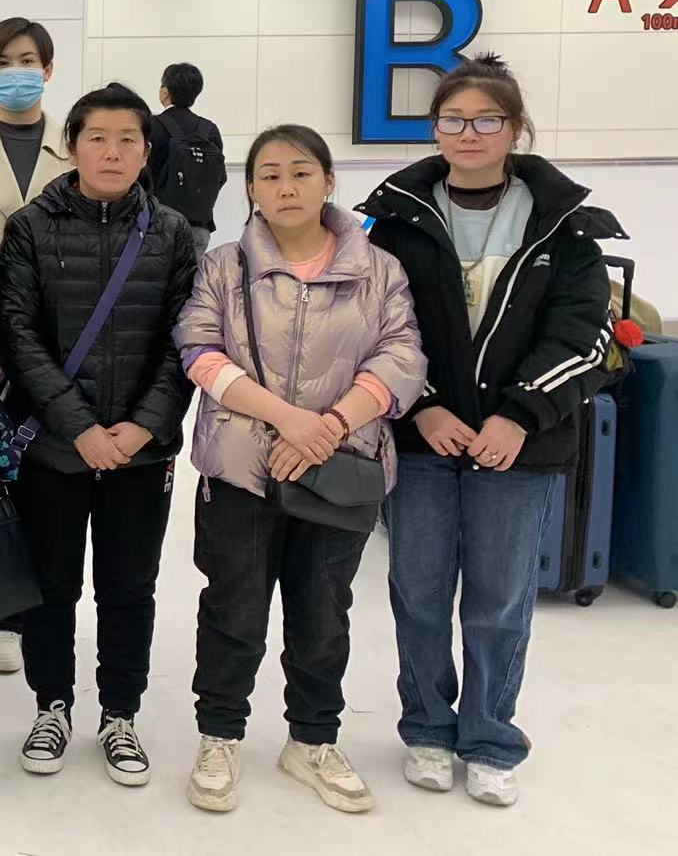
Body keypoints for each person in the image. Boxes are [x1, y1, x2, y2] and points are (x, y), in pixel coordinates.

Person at [359, 54, 619, 809]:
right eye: (452, 119)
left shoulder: (563, 226)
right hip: (424, 440)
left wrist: (517, 415)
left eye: (486, 120)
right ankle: (426, 729)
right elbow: (373, 324)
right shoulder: (396, 219)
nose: (468, 133)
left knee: (500, 601)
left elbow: (585, 335)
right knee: (418, 592)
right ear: (434, 128)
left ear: (515, 129)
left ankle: (490, 738)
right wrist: (422, 404)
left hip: (518, 447)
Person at [174, 124, 426, 815]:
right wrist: (288, 421)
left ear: (328, 181)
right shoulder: (224, 267)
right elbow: (197, 349)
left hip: (341, 466)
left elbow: (402, 357)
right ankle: (220, 735)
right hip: (240, 470)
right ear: (251, 189)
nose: (286, 187)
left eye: (301, 172)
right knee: (232, 609)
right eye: (270, 175)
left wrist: (329, 428)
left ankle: (312, 740)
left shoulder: (379, 269)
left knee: (323, 612)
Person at [0, 83, 197, 788]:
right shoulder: (31, 226)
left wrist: (141, 427)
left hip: (141, 452)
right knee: (50, 587)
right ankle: (51, 706)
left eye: (127, 140)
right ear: (72, 145)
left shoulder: (172, 233)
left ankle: (119, 714)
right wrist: (79, 427)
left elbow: (186, 341)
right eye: (97, 138)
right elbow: (17, 334)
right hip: (55, 448)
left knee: (129, 588)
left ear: (146, 151)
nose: (112, 152)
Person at [0, 16, 70, 676]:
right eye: (3, 62)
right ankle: (0, 610)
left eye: (28, 60)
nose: (17, 73)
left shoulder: (77, 147)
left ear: (48, 69)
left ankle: (45, 604)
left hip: (63, 341)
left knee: (52, 472)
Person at [146, 62, 227, 254]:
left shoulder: (152, 126)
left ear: (164, 92)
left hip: (159, 224)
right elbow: (220, 177)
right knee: (193, 274)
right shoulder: (209, 130)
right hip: (200, 227)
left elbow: (141, 175)